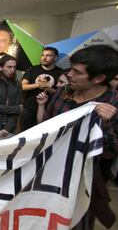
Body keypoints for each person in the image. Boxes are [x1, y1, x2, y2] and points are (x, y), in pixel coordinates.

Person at [36, 45, 118, 230]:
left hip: (82, 184)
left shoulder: (113, 105)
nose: (69, 75)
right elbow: (44, 128)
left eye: (77, 71)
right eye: (71, 68)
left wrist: (105, 127)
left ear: (99, 78)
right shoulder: (62, 93)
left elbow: (111, 154)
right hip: (47, 173)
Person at [21, 47, 64, 131]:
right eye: (43, 55)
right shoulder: (32, 69)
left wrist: (49, 89)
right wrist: (37, 85)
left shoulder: (61, 72)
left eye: (48, 55)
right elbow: (23, 87)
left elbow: (63, 94)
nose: (44, 58)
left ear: (55, 58)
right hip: (29, 109)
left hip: (49, 111)